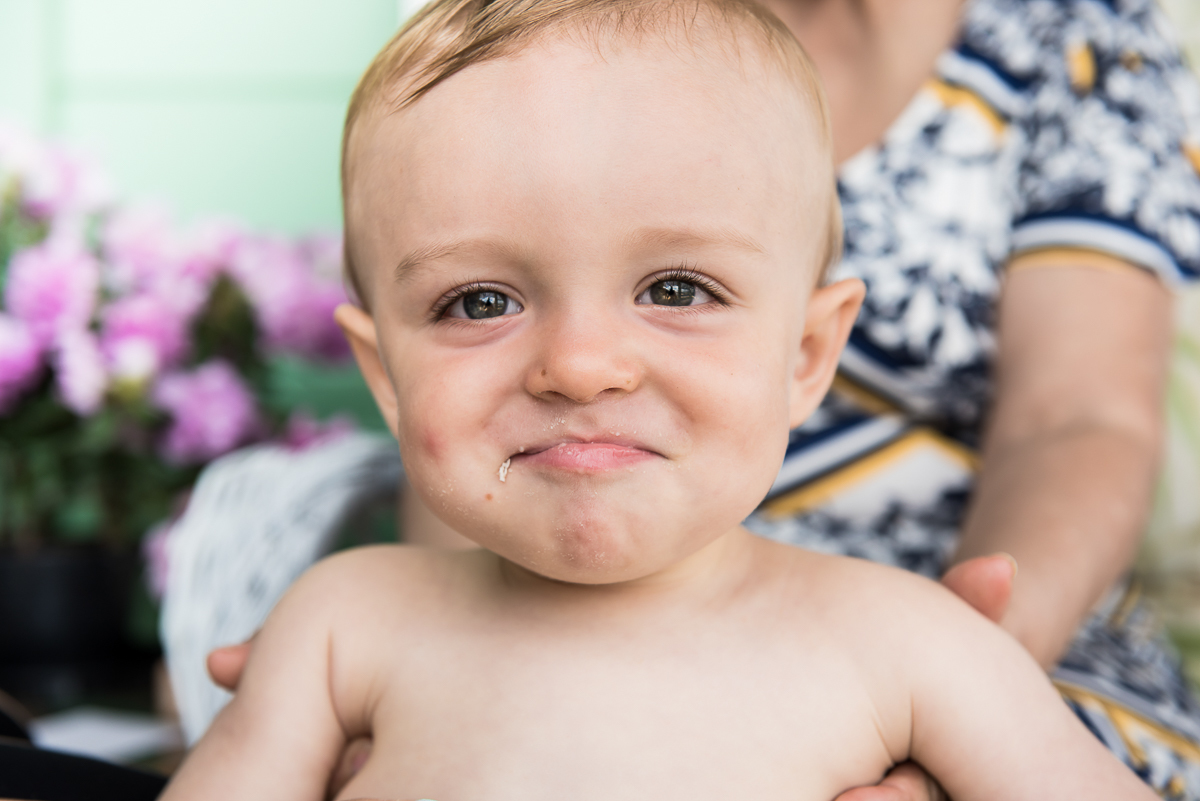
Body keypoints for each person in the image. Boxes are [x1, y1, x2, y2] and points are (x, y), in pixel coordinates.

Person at [160, 0, 1160, 797]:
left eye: (676, 291)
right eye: (480, 301)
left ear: (807, 353)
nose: (581, 365)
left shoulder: (916, 653)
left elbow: (1083, 418)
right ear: (385, 376)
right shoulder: (343, 627)